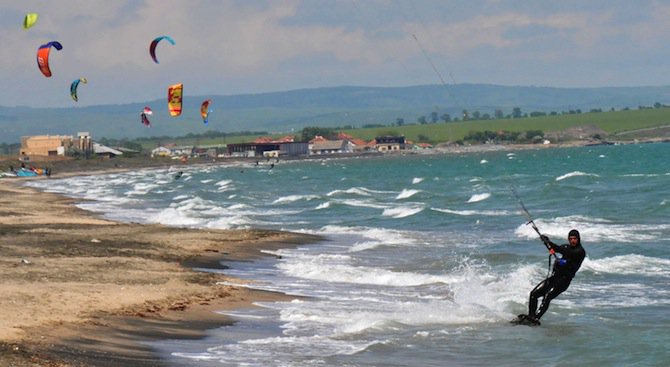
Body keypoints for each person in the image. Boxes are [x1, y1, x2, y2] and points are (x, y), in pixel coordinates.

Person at [523, 229, 586, 325]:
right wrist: (546, 241)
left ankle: (536, 318)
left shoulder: (580, 251)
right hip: (554, 277)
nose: (572, 240)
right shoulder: (566, 247)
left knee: (547, 297)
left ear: (578, 239)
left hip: (564, 280)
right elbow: (554, 249)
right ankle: (531, 316)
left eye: (575, 238)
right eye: (571, 238)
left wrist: (550, 243)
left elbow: (566, 252)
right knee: (533, 294)